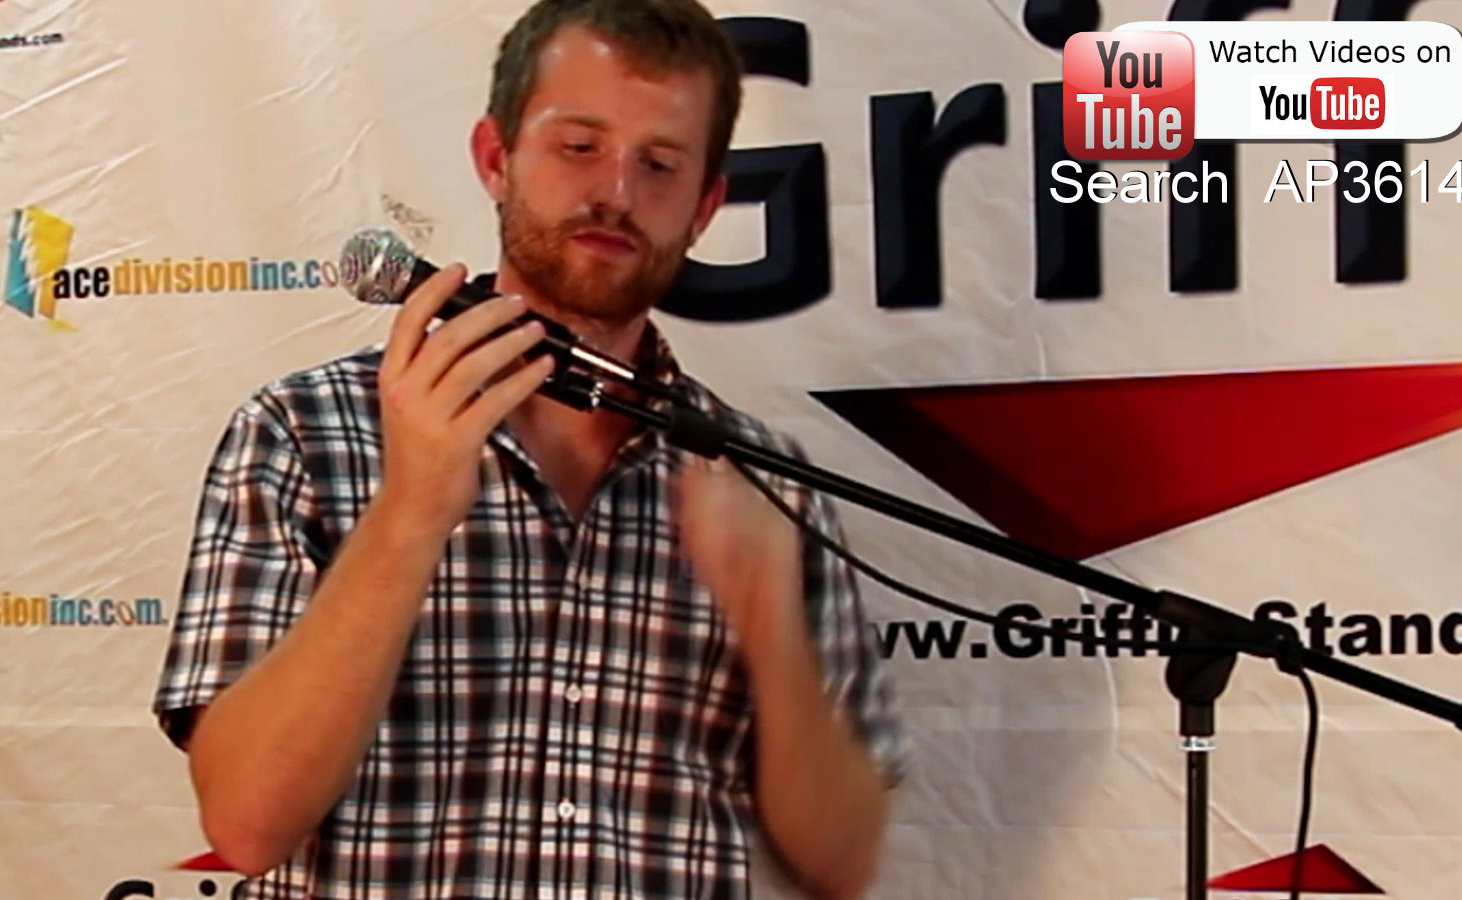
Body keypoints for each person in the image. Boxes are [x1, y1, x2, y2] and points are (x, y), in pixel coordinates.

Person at [152, 1, 906, 897]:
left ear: (705, 206)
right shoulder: (306, 431)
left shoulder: (760, 481)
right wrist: (410, 515)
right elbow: (245, 825)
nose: (616, 193)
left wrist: (770, 626)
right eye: (579, 146)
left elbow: (842, 860)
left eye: (659, 164)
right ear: (495, 157)